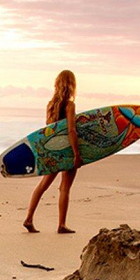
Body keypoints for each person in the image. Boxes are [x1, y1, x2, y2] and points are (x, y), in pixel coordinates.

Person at [23, 70, 83, 234]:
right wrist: (77, 154)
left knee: (42, 185)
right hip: (67, 151)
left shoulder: (50, 105)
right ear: (72, 85)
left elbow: (48, 130)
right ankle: (61, 225)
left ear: (57, 84)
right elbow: (71, 130)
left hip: (52, 149)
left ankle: (29, 218)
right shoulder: (70, 105)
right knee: (65, 188)